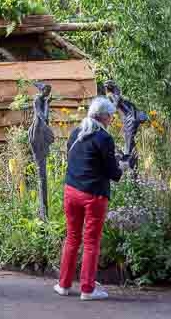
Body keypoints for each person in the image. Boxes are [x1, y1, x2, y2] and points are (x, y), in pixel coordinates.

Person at [54, 96, 123, 301]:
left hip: (71, 191)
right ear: (103, 116)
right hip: (93, 195)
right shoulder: (104, 139)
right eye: (110, 116)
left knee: (73, 238)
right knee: (91, 242)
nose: (112, 119)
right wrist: (123, 167)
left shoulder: (77, 132)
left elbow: (79, 160)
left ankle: (64, 285)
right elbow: (114, 173)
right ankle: (87, 289)